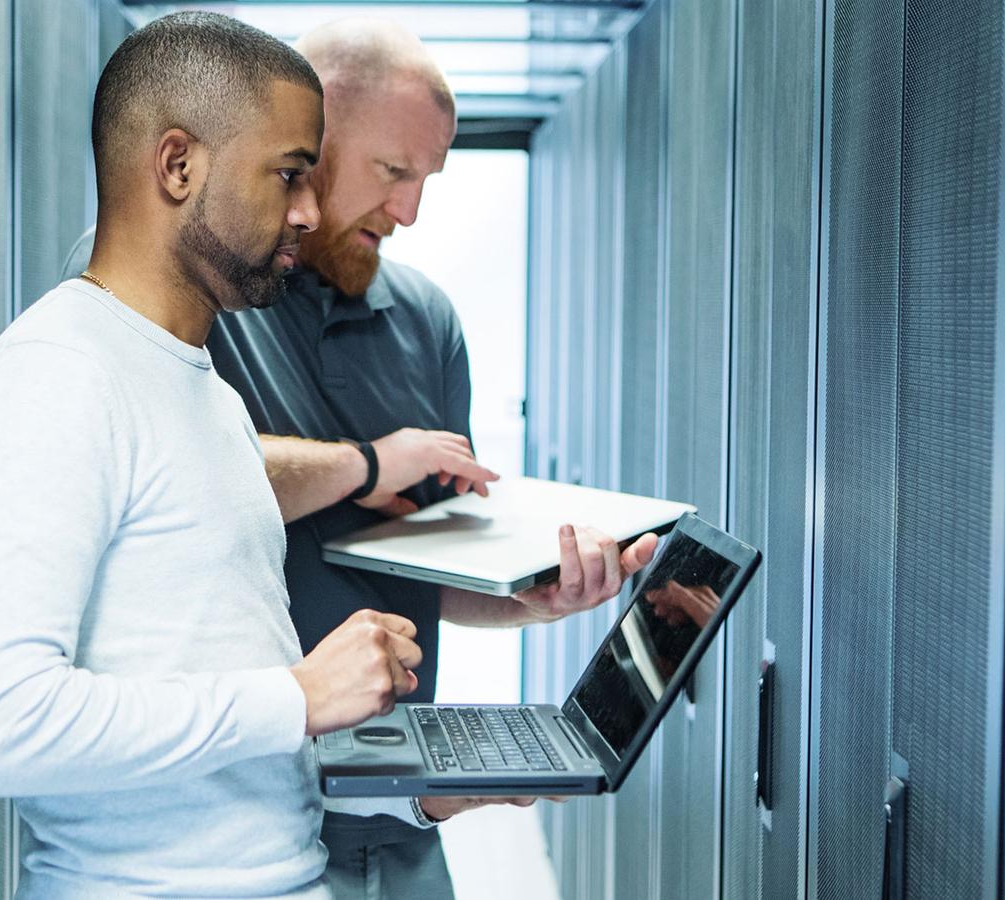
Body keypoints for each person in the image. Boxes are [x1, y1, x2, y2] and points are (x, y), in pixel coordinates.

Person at [64, 19, 658, 897]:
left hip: (407, 818)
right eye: (393, 171)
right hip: (239, 828)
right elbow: (149, 473)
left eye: (428, 179)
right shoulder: (173, 279)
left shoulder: (428, 323)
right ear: (312, 131)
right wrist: (369, 463)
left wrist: (529, 597)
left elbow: (432, 569)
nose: (411, 210)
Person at [0, 13, 429, 898]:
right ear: (177, 165)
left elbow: (233, 769)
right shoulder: (56, 380)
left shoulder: (206, 393)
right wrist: (298, 695)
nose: (309, 212)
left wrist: (425, 795)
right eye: (288, 174)